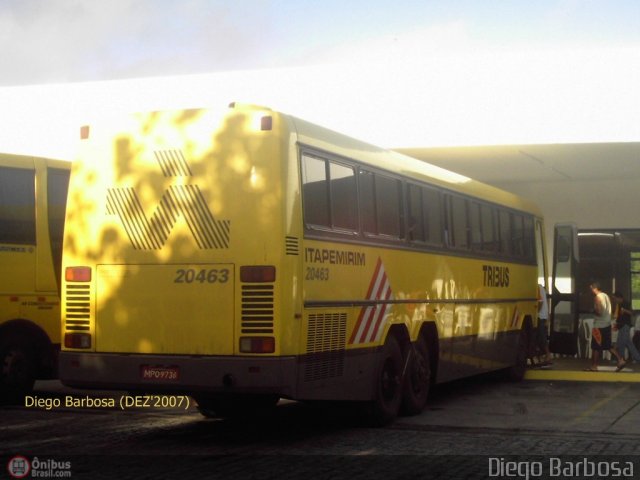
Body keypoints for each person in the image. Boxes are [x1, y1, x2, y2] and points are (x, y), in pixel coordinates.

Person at [585, 282, 626, 372]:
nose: (590, 290)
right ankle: (620, 360)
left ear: (594, 288)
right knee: (608, 345)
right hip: (607, 324)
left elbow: (599, 311)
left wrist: (593, 310)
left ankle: (594, 366)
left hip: (599, 325)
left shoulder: (598, 297)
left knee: (595, 347)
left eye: (591, 288)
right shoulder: (606, 296)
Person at [611, 291, 640, 365]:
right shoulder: (619, 304)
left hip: (625, 325)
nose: (614, 300)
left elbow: (632, 313)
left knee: (621, 343)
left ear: (619, 297)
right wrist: (617, 324)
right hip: (621, 325)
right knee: (628, 343)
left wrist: (624, 310)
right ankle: (637, 358)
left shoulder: (625, 303)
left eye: (615, 298)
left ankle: (621, 359)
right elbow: (618, 316)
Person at [535, 283, 551, 366]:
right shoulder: (541, 288)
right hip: (544, 316)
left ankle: (547, 355)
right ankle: (541, 357)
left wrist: (535, 313)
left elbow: (540, 302)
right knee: (540, 337)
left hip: (540, 316)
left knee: (541, 337)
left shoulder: (537, 287)